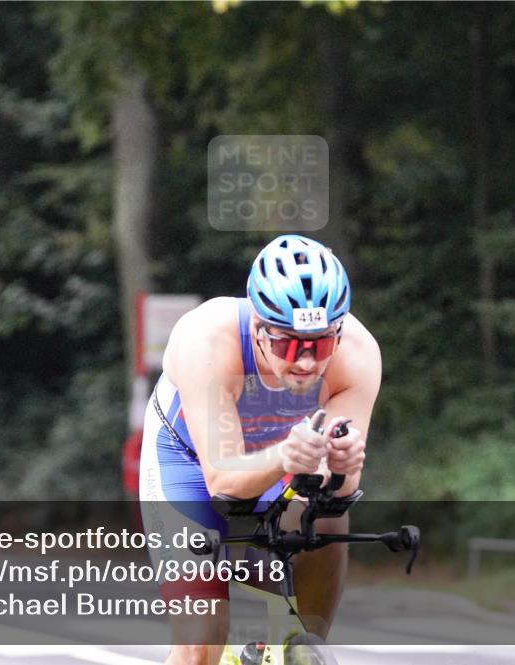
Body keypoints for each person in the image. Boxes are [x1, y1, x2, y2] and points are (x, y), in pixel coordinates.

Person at [139, 235, 379, 665]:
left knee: (326, 512)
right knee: (200, 647)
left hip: (283, 459)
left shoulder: (358, 354)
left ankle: (297, 645)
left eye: (321, 344)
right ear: (258, 329)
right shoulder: (209, 340)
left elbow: (337, 485)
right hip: (190, 463)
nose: (306, 361)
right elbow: (225, 483)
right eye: (289, 344)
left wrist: (340, 469)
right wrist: (287, 456)